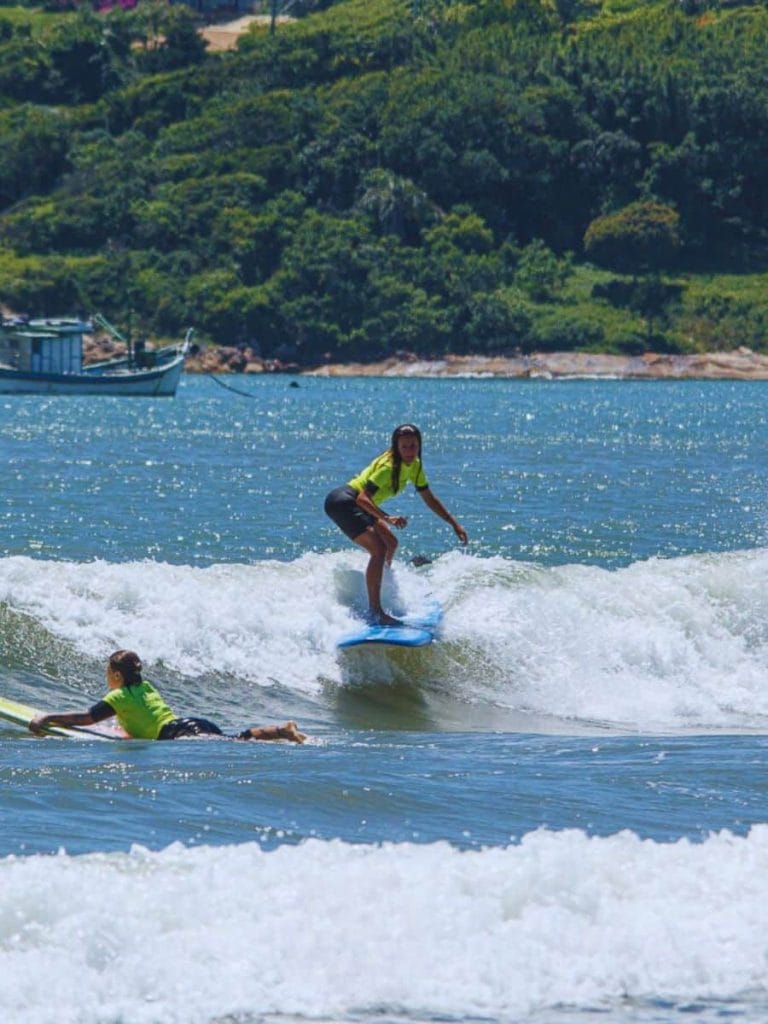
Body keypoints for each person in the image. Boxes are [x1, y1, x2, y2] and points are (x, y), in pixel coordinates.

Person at [324, 423, 468, 625]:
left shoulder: (415, 465)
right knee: (379, 549)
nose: (409, 451)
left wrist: (454, 524)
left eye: (413, 446)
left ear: (419, 445)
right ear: (396, 448)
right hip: (343, 502)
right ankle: (376, 611)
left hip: (359, 505)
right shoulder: (389, 467)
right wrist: (387, 518)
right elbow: (363, 498)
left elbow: (429, 498)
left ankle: (383, 592)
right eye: (405, 447)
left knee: (391, 543)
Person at [29, 649, 306, 743]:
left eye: (107, 670)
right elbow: (142, 717)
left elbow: (86, 718)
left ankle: (282, 730)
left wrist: (47, 717)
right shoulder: (144, 687)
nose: (105, 675)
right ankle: (281, 730)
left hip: (180, 736)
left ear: (116, 676)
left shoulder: (119, 697)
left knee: (235, 743)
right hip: (188, 725)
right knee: (234, 739)